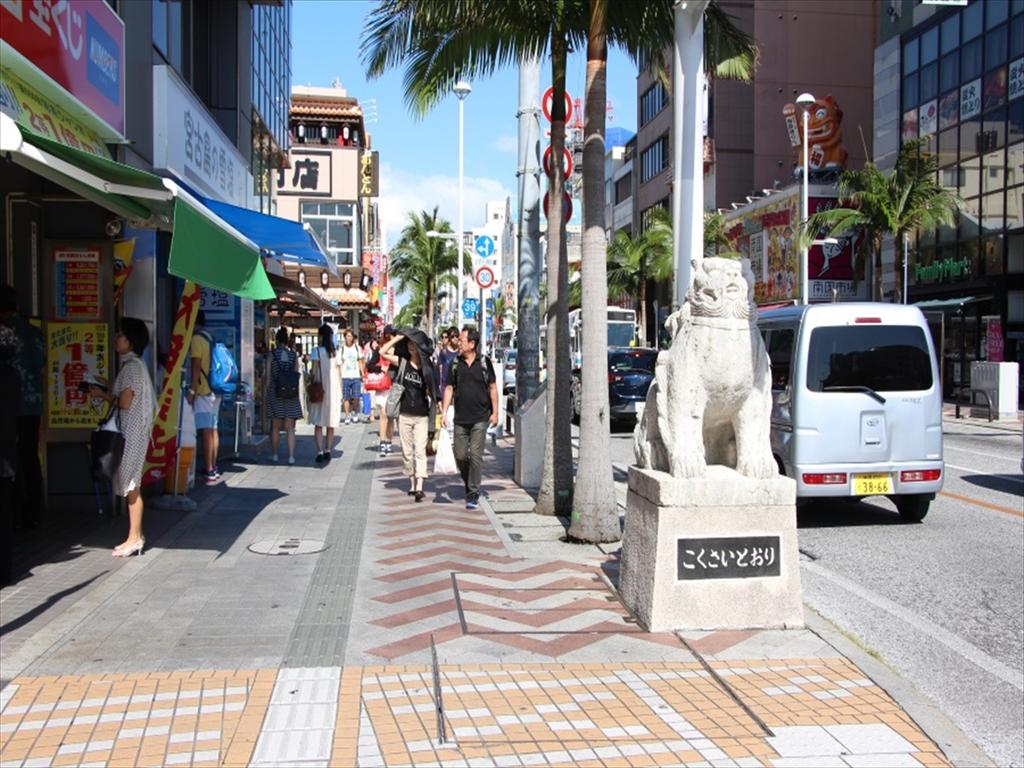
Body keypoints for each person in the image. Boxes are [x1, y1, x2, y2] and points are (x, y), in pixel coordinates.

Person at [90, 318, 156, 557]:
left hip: (131, 434)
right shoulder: (136, 366)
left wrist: (102, 394)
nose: (116, 338)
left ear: (131, 341)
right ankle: (133, 536)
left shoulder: (130, 368)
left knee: (131, 485)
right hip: (135, 432)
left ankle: (135, 537)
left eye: (120, 335)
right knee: (131, 483)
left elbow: (125, 402)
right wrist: (107, 386)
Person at [0, 286, 44, 529]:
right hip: (32, 405)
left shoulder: (4, 331)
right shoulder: (35, 333)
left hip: (8, 407)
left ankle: (14, 510)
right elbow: (42, 363)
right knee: (29, 457)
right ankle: (34, 510)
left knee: (9, 460)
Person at [441, 327, 498, 510]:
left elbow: (493, 388)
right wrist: (444, 412)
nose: (459, 342)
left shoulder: (484, 363)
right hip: (460, 418)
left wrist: (495, 412)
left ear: (472, 344)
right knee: (460, 455)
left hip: (480, 417)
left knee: (475, 455)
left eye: (462, 340)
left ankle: (472, 492)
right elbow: (449, 388)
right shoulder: (455, 364)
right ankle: (469, 482)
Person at [381, 332, 437, 502]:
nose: (411, 347)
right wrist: (399, 338)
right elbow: (383, 352)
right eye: (409, 344)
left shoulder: (428, 367)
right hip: (404, 414)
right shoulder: (403, 363)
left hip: (421, 415)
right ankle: (412, 483)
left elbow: (433, 389)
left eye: (414, 344)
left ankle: (419, 487)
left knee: (420, 451)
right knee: (407, 452)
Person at [188, 311, 221, 482]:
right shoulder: (210, 337)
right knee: (213, 429)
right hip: (216, 389)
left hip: (203, 391)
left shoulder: (196, 339)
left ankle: (209, 469)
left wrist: (192, 391)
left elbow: (195, 367)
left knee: (206, 431)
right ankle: (213, 466)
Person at [267, 326, 302, 464]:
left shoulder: (272, 355)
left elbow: (268, 377)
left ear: (276, 340)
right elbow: (296, 374)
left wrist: (267, 389)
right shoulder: (293, 355)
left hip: (276, 393)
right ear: (287, 341)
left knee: (275, 426)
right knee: (290, 428)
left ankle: (275, 455)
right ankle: (291, 456)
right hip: (291, 394)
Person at [308, 323, 343, 463]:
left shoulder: (316, 351)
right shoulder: (335, 352)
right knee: (330, 422)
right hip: (333, 390)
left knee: (318, 422)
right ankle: (328, 449)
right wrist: (340, 391)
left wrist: (310, 375)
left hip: (320, 390)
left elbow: (314, 371)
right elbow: (340, 373)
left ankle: (320, 451)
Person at [436, 327, 461, 429]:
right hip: (446, 386)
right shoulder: (444, 353)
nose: (455, 338)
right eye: (452, 336)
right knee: (445, 412)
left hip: (458, 386)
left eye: (457, 336)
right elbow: (440, 371)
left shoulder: (460, 352)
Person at [340, 329, 365, 425]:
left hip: (356, 376)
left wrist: (362, 373)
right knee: (346, 397)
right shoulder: (341, 349)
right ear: (345, 338)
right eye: (347, 336)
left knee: (356, 396)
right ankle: (347, 415)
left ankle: (354, 412)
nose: (349, 338)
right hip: (345, 376)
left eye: (350, 336)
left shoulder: (357, 348)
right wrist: (340, 376)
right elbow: (339, 363)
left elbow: (360, 361)